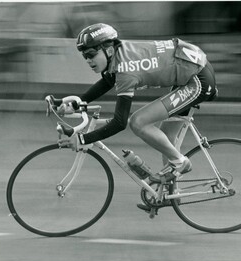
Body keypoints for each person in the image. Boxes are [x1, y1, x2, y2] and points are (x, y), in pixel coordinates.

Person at [56, 23, 218, 208]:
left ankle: (181, 163)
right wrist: (78, 103)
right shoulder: (120, 53)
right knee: (167, 137)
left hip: (197, 80)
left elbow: (119, 122)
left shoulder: (126, 69)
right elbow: (108, 81)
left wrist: (84, 139)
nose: (88, 60)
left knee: (138, 122)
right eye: (85, 56)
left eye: (91, 54)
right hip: (189, 70)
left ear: (108, 50)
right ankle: (171, 195)